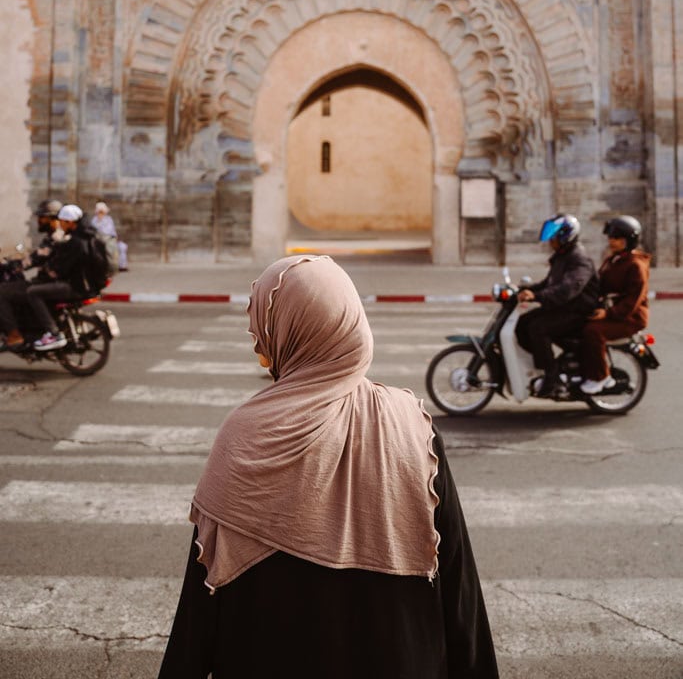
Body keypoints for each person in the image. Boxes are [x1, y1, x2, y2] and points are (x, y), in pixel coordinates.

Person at [157, 254, 499, 679]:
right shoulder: (412, 425)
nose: (261, 350)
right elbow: (458, 581)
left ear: (290, 335)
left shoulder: (245, 436)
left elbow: (202, 596)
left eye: (265, 334)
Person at [516, 213, 599, 397]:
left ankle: (552, 377)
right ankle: (546, 364)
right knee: (522, 323)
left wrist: (536, 296)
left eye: (554, 237)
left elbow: (567, 290)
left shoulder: (579, 259)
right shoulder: (562, 256)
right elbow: (549, 284)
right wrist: (524, 290)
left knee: (538, 328)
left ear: (565, 236)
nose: (551, 241)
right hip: (564, 307)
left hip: (578, 311)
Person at [0, 204, 97, 352]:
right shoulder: (72, 236)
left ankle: (15, 335)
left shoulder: (57, 236)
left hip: (60, 283)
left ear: (54, 219)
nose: (39, 221)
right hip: (67, 282)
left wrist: (11, 265)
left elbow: (36, 258)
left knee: (8, 292)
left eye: (42, 218)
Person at [578, 216, 650, 395]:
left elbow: (633, 300)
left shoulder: (636, 265)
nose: (612, 241)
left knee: (593, 331)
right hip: (613, 311)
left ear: (629, 240)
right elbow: (600, 283)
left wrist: (607, 314)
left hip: (630, 318)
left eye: (617, 238)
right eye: (611, 237)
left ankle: (601, 377)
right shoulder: (615, 259)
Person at [92, 201, 128, 271]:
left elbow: (111, 231)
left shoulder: (109, 219)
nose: (101, 213)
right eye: (100, 212)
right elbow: (94, 232)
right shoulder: (94, 220)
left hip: (110, 239)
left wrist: (114, 238)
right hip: (98, 240)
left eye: (102, 212)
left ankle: (121, 266)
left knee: (122, 246)